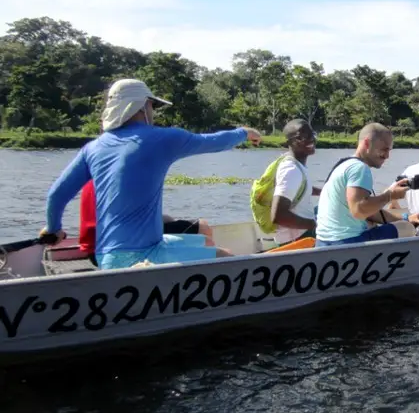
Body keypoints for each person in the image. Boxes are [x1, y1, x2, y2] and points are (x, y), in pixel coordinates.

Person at [40, 78, 262, 270]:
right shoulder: (161, 139)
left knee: (205, 242)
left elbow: (56, 195)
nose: (153, 111)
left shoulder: (92, 148)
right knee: (228, 258)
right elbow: (213, 142)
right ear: (142, 106)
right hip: (139, 257)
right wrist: (244, 132)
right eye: (152, 105)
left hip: (105, 256)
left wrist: (54, 229)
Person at [315, 123, 419, 246]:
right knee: (407, 228)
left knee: (375, 222)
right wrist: (389, 195)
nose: (387, 156)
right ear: (367, 143)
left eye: (389, 150)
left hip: (323, 243)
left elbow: (370, 211)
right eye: (384, 149)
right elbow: (359, 210)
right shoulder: (360, 168)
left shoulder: (343, 164)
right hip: (347, 243)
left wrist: (406, 217)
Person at [78, 180, 216, 267]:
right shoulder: (126, 176)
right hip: (121, 250)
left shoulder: (95, 174)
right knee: (202, 227)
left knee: (169, 220)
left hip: (93, 250)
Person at [269, 119, 322, 246]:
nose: (310, 140)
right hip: (297, 240)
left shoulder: (297, 165)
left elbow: (300, 187)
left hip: (302, 234)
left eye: (312, 135)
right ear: (289, 143)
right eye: (302, 137)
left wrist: (325, 191)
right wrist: (313, 224)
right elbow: (278, 216)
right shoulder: (291, 169)